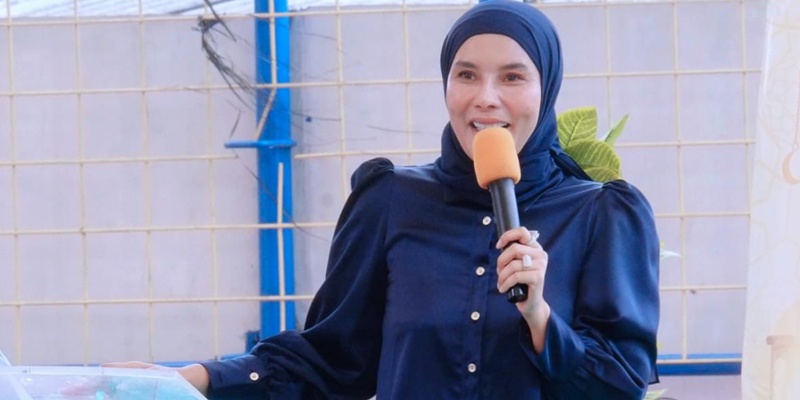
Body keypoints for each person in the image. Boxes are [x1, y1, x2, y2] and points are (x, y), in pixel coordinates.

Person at [108, 1, 660, 398]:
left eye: (513, 77)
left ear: (547, 88)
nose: (486, 98)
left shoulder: (601, 215)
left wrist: (539, 316)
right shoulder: (390, 200)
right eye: (466, 75)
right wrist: (188, 381)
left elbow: (619, 386)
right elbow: (331, 362)